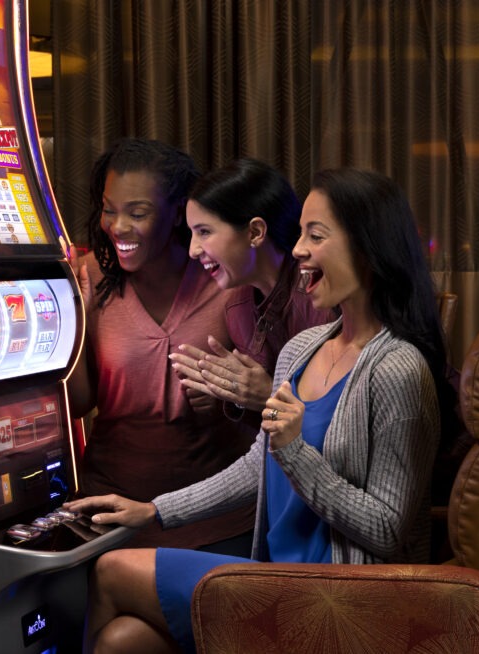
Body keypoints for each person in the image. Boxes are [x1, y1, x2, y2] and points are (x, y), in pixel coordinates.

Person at [65, 167, 456, 653]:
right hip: (276, 574)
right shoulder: (302, 349)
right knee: (124, 641)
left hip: (340, 596)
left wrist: (295, 450)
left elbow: (386, 529)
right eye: (301, 234)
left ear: (367, 248)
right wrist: (153, 511)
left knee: (110, 570)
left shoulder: (398, 368)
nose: (298, 250)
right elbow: (258, 467)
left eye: (316, 236)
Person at [67, 137, 257, 553]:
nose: (118, 227)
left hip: (214, 520)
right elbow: (79, 404)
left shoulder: (224, 279)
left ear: (177, 213)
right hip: (110, 515)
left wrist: (226, 399)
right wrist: (74, 325)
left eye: (138, 213)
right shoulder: (89, 278)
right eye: (109, 210)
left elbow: (271, 403)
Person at [169, 158, 333, 420]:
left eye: (204, 232)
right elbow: (263, 428)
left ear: (255, 232)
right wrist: (228, 396)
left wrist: (267, 396)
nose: (193, 250)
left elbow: (339, 423)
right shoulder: (238, 308)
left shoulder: (322, 298)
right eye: (192, 234)